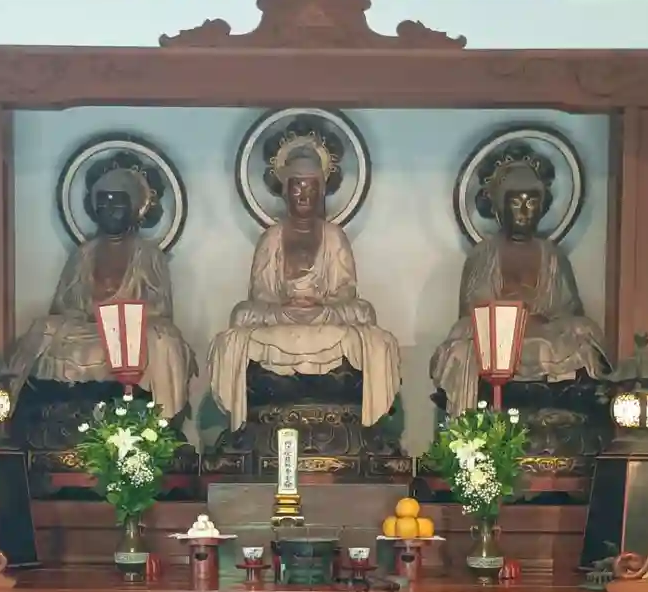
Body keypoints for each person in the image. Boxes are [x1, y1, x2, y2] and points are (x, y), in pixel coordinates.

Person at [206, 140, 401, 432]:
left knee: (367, 317)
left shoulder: (334, 236)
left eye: (311, 187)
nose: (304, 194)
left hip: (324, 315)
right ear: (285, 190)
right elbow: (260, 293)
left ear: (322, 191)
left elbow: (346, 291)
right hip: (281, 316)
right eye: (297, 186)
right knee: (240, 317)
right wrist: (284, 306)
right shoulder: (272, 237)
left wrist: (322, 306)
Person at [8, 166, 196, 419]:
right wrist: (84, 315)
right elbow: (62, 305)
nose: (110, 210)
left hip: (128, 332)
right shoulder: (83, 254)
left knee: (163, 337)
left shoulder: (149, 255)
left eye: (117, 203)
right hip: (86, 329)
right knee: (44, 327)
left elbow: (161, 308)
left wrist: (119, 317)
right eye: (103, 202)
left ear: (135, 208)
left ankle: (160, 417)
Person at [430, 160, 610, 415]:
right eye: (515, 203)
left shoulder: (552, 255)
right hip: (496, 338)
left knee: (584, 331)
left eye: (532, 202)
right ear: (499, 208)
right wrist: (510, 318)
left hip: (545, 331)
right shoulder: (483, 254)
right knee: (461, 340)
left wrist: (540, 319)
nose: (524, 211)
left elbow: (569, 309)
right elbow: (472, 311)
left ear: (542, 207)